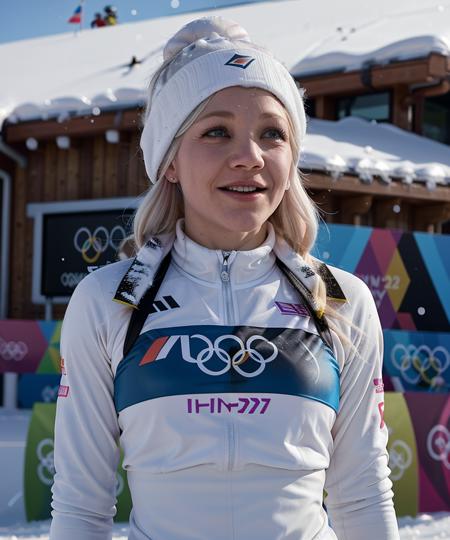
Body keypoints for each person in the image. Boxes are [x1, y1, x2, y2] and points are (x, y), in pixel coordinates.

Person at [49, 16, 400, 540]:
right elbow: (81, 507)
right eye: (216, 131)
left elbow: (364, 494)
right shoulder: (108, 301)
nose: (249, 157)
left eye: (271, 135)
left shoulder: (340, 300)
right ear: (169, 160)